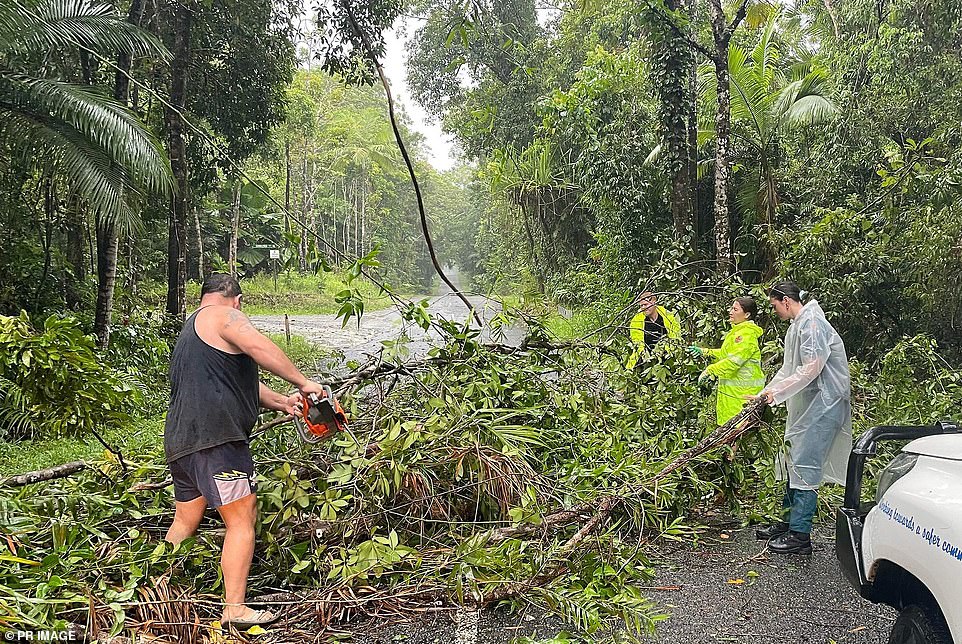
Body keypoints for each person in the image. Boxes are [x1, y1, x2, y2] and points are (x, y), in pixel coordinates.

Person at [163, 273, 327, 628]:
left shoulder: (195, 327)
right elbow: (259, 347)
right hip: (219, 442)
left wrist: (284, 401)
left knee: (185, 522)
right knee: (242, 519)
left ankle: (159, 584)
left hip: (183, 443)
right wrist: (302, 382)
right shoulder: (225, 316)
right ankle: (234, 608)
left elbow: (240, 381)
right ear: (236, 299)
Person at [750, 282, 852, 555]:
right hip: (809, 404)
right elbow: (788, 369)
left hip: (824, 405)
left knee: (805, 465)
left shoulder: (813, 324)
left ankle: (800, 536)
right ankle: (788, 522)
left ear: (785, 300)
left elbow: (811, 369)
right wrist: (766, 393)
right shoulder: (798, 325)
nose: (775, 311)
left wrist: (777, 394)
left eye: (774, 305)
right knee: (793, 460)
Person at [689, 297, 765, 426]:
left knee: (734, 433)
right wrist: (705, 352)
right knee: (729, 432)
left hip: (742, 395)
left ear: (746, 315)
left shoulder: (746, 336)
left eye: (735, 309)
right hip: (732, 394)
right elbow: (726, 354)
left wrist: (710, 370)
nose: (730, 312)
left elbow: (733, 362)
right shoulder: (737, 332)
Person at [625, 291, 681, 369]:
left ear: (654, 302)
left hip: (667, 354)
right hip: (646, 358)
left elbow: (675, 336)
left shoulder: (667, 315)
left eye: (646, 304)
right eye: (641, 306)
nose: (643, 308)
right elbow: (637, 344)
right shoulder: (637, 320)